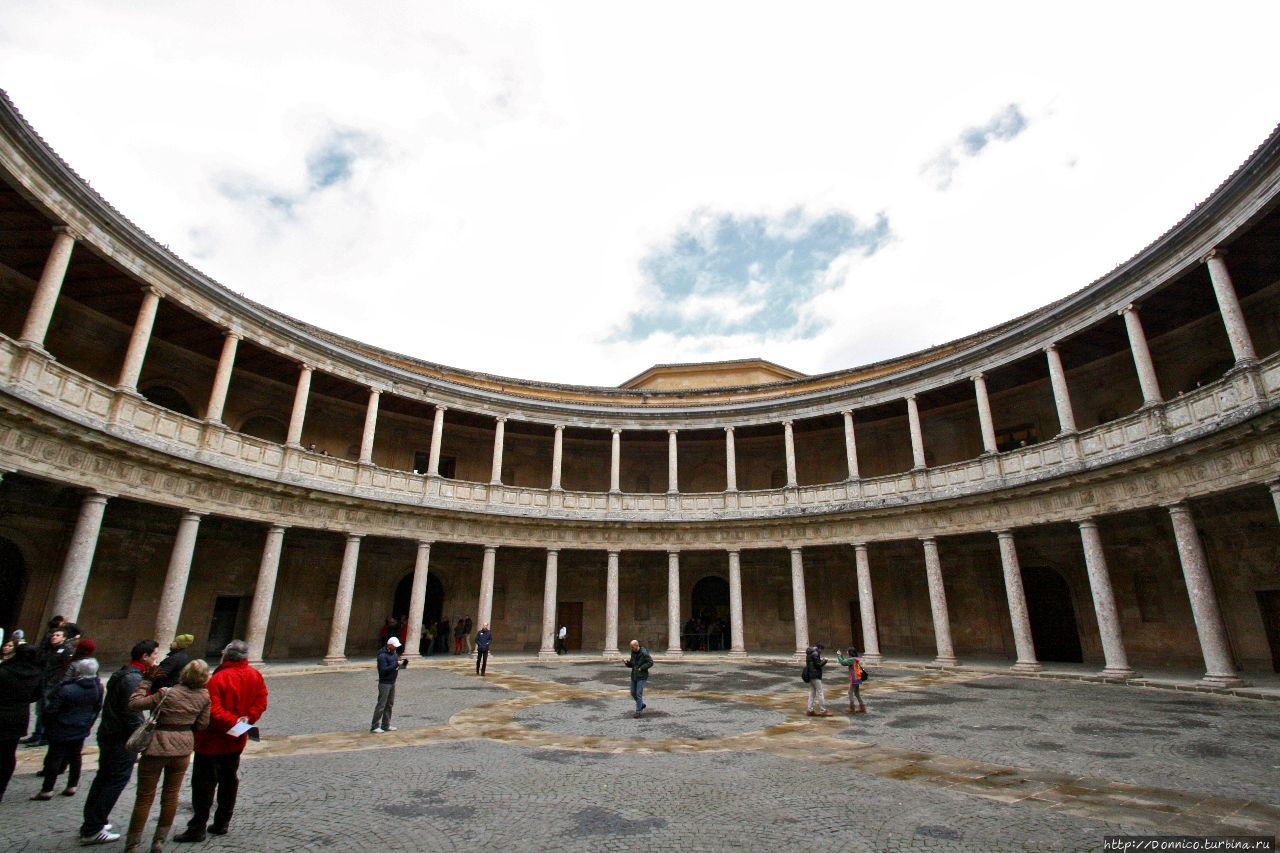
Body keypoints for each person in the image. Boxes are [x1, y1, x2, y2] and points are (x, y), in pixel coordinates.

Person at [173, 640, 267, 843]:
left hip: (212, 742)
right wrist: (248, 719)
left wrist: (234, 723)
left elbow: (213, 711)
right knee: (229, 781)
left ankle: (197, 827)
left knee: (204, 785)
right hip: (236, 740)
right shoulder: (255, 675)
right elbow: (261, 701)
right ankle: (222, 823)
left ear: (227, 655)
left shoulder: (218, 679)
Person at [125, 660, 211, 853]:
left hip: (157, 745)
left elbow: (134, 704)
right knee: (171, 795)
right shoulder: (204, 696)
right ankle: (159, 841)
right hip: (182, 748)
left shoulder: (167, 693)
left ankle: (132, 844)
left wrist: (145, 683)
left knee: (144, 798)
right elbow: (203, 724)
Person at [80, 639, 161, 845]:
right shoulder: (132, 679)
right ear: (144, 656)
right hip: (120, 738)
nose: (156, 658)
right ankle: (93, 828)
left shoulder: (124, 673)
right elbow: (131, 712)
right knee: (114, 780)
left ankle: (93, 820)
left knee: (104, 778)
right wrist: (141, 738)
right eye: (154, 655)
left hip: (110, 732)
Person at [31, 657, 103, 800]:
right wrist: (88, 723)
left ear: (78, 671)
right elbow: (97, 708)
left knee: (55, 757)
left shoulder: (67, 688)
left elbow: (51, 709)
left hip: (61, 727)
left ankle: (47, 789)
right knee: (75, 757)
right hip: (81, 727)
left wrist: (48, 723)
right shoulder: (98, 687)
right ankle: (72, 785)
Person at [0, 643, 41, 802]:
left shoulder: (4, 671)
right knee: (8, 754)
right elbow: (37, 695)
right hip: (19, 716)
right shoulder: (36, 674)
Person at [371, 637, 404, 734]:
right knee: (381, 705)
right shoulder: (382, 656)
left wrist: (402, 664)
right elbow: (383, 670)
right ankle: (375, 726)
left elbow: (396, 666)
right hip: (384, 683)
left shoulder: (394, 654)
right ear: (389, 645)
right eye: (395, 646)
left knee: (389, 704)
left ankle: (386, 725)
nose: (396, 648)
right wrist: (396, 664)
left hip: (392, 682)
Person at [623, 639, 653, 718]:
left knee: (638, 694)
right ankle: (641, 705)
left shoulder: (644, 652)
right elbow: (632, 664)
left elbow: (650, 662)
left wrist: (642, 668)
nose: (631, 649)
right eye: (631, 647)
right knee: (633, 692)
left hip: (642, 676)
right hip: (634, 675)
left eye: (632, 647)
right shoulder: (633, 652)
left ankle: (638, 711)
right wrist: (627, 663)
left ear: (637, 646)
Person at [835, 647, 868, 714]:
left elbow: (843, 663)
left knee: (850, 692)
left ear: (850, 652)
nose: (847, 652)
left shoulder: (852, 660)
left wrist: (838, 655)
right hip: (857, 678)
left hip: (854, 678)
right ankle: (862, 707)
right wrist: (841, 655)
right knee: (857, 693)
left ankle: (852, 707)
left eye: (848, 651)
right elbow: (845, 661)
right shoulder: (854, 659)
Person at [804, 645, 832, 717]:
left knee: (812, 693)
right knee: (820, 693)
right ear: (819, 648)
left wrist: (820, 660)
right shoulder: (815, 653)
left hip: (810, 675)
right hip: (816, 675)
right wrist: (825, 660)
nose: (821, 651)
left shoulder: (809, 654)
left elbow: (813, 663)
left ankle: (810, 710)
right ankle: (823, 711)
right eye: (821, 650)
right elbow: (818, 665)